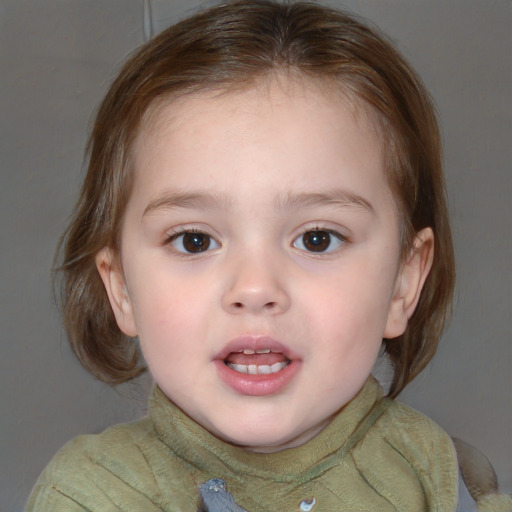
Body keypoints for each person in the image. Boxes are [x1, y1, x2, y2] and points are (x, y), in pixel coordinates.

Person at [26, 1, 512, 511]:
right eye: (194, 240)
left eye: (317, 238)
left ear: (402, 283)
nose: (255, 288)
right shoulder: (96, 494)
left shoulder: (434, 472)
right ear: (122, 287)